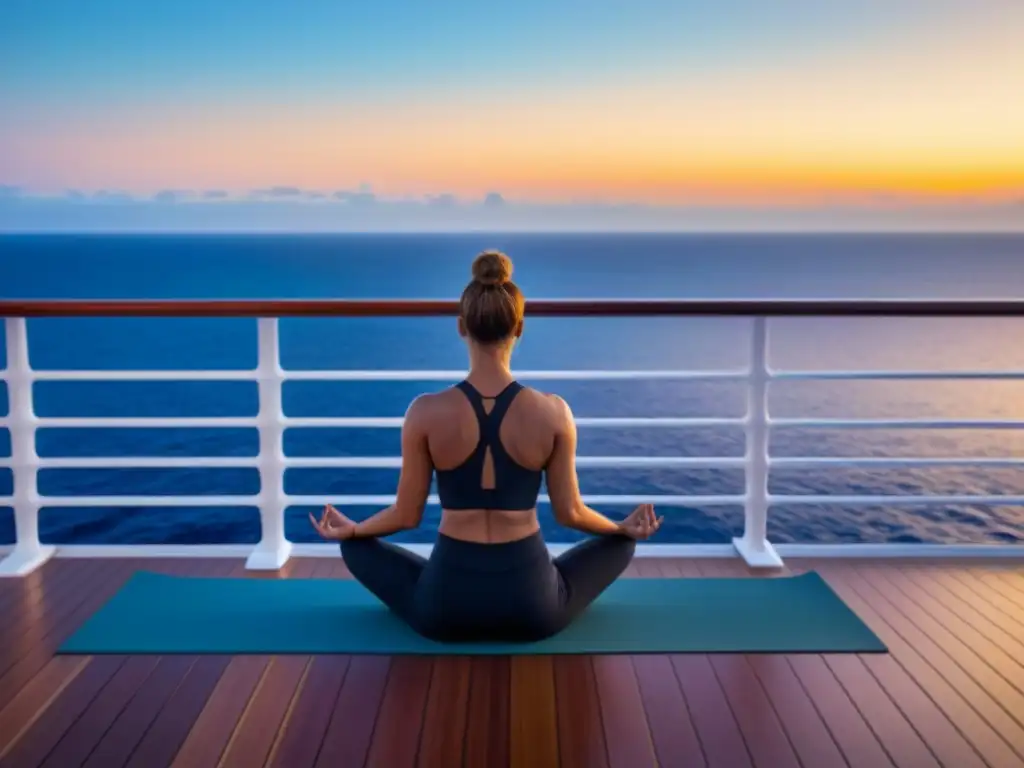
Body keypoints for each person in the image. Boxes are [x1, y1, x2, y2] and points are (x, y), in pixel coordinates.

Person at [309, 250, 662, 642]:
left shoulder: (425, 412)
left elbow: (406, 516)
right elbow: (571, 512)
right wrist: (620, 527)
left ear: (462, 327)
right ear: (520, 328)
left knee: (354, 549)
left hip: (445, 609)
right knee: (622, 545)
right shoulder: (554, 412)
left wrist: (355, 529)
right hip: (532, 609)